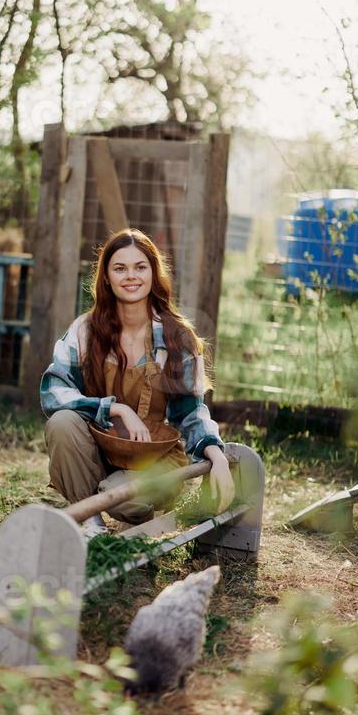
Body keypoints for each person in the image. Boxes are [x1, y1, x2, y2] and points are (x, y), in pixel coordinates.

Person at [40, 228, 236, 535]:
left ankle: (135, 508)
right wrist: (116, 409)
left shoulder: (176, 338)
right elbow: (53, 391)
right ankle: (92, 524)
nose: (131, 276)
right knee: (62, 423)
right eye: (120, 268)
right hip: (101, 448)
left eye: (140, 267)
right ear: (106, 277)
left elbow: (191, 413)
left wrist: (216, 455)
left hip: (154, 460)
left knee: (124, 500)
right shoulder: (85, 331)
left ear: (153, 274)